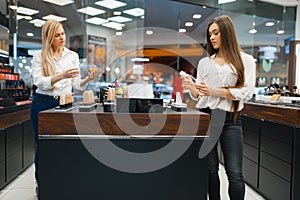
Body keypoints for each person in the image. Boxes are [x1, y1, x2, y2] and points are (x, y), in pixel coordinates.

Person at [182, 15, 256, 200]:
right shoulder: (205, 63)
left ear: (227, 33)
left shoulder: (246, 60)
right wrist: (193, 89)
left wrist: (214, 91)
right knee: (210, 170)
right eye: (210, 34)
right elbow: (201, 94)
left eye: (216, 33)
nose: (212, 38)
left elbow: (246, 92)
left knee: (235, 173)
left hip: (231, 120)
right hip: (207, 118)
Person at [30, 19, 96, 189]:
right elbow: (39, 82)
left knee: (63, 144)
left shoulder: (72, 56)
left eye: (63, 34)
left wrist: (88, 78)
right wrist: (61, 75)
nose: (62, 38)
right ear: (49, 37)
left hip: (65, 104)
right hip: (42, 103)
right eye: (57, 35)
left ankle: (60, 182)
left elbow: (76, 84)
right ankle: (42, 183)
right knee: (43, 145)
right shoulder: (39, 56)